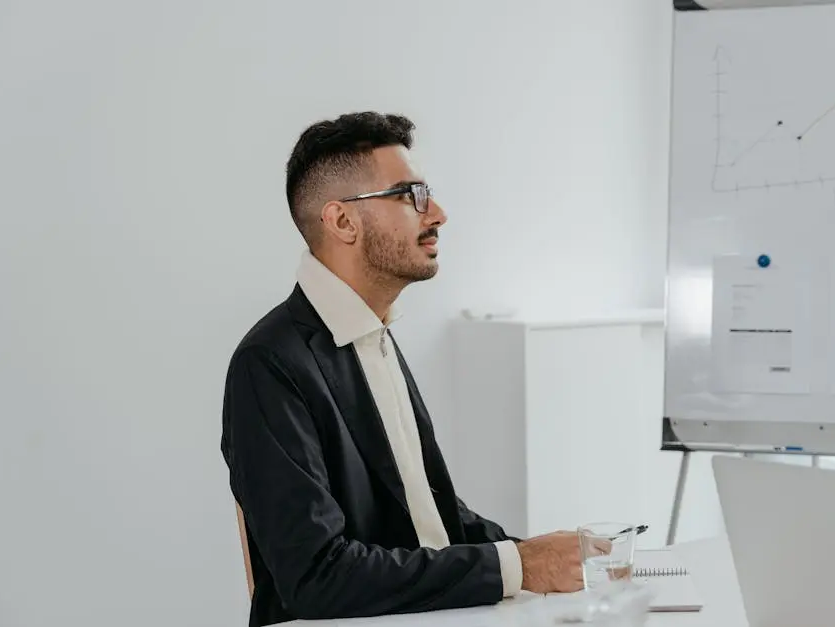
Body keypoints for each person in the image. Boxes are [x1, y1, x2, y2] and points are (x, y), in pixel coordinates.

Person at [221, 112, 582, 627]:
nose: (437, 213)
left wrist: (553, 559)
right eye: (410, 195)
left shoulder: (373, 334)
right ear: (342, 221)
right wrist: (519, 566)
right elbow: (316, 578)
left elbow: (431, 518)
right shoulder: (269, 364)